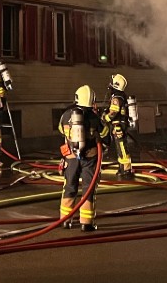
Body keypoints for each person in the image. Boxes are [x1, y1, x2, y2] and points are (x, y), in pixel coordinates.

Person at [59, 84, 109, 232]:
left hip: (71, 157)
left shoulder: (66, 115)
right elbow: (105, 135)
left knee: (69, 187)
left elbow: (61, 130)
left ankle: (65, 220)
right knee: (89, 189)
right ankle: (86, 223)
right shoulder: (94, 117)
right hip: (90, 157)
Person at [102, 73, 135, 180]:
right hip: (120, 124)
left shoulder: (116, 98)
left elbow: (113, 113)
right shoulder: (120, 96)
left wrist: (104, 118)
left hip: (118, 125)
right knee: (120, 148)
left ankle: (126, 170)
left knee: (122, 148)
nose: (110, 84)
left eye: (112, 82)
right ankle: (122, 168)